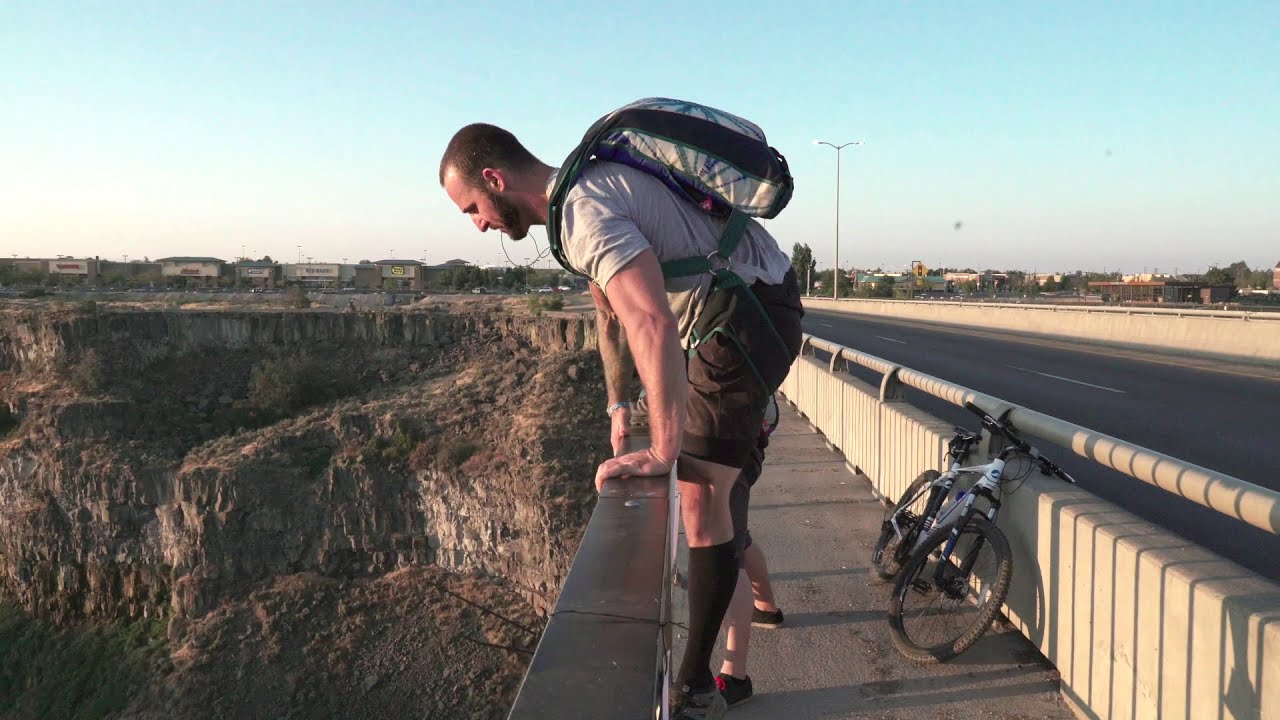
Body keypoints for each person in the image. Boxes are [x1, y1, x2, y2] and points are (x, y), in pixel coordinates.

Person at [439, 122, 803, 720]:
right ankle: (707, 677)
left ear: (494, 179)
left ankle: (695, 690)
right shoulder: (576, 203)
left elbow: (651, 322)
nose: (478, 224)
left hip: (746, 311)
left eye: (473, 208)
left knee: (699, 493)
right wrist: (617, 408)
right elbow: (610, 317)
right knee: (707, 485)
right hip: (742, 309)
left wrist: (661, 448)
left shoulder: (582, 211)